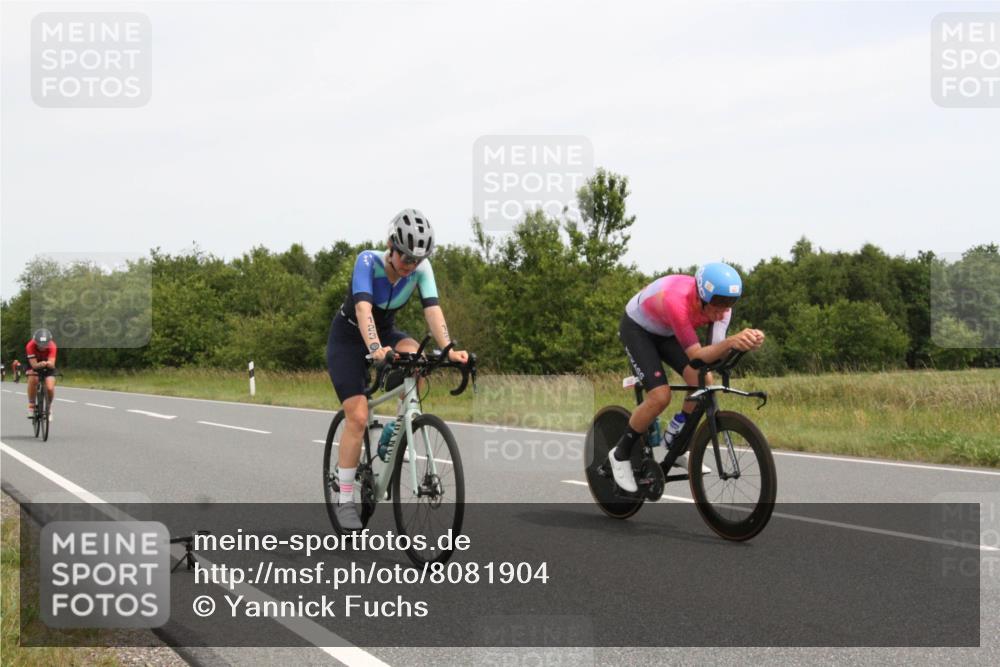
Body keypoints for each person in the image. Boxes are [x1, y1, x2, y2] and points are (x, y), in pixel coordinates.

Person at [327, 209, 468, 529]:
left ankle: (395, 430)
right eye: (405, 256)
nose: (410, 265)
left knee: (418, 359)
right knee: (359, 416)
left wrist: (449, 350)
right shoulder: (367, 262)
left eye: (417, 259)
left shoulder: (421, 269)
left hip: (388, 332)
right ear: (391, 245)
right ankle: (345, 497)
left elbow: (433, 310)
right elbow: (363, 310)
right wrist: (376, 349)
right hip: (349, 338)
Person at [607, 263, 765, 492]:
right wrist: (731, 342)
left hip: (665, 330)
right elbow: (698, 356)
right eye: (717, 305)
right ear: (701, 296)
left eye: (729, 304)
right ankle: (620, 454)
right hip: (638, 329)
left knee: (704, 380)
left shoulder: (722, 309)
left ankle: (675, 441)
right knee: (660, 396)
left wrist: (745, 344)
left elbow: (711, 359)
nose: (722, 312)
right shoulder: (676, 300)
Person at [26, 329, 58, 421]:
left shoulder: (52, 346)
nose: (42, 346)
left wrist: (48, 363)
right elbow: (34, 365)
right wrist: (39, 365)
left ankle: (49, 407)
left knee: (50, 387)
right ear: (35, 341)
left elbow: (52, 364)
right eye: (39, 344)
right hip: (34, 363)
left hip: (47, 364)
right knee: (33, 379)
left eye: (45, 344)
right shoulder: (30, 345)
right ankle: (31, 405)